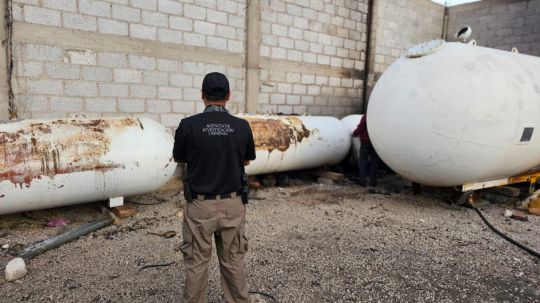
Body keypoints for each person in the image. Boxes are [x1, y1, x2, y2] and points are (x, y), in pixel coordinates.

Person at [173, 72, 256, 303]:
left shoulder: (188, 125)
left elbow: (179, 157)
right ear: (229, 96)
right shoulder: (241, 127)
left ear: (202, 95)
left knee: (197, 264)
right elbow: (247, 160)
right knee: (233, 262)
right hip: (233, 205)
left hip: (200, 207)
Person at [353, 114, 379, 187]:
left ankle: (363, 181)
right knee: (374, 162)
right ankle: (373, 182)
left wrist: (355, 133)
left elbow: (361, 127)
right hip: (375, 142)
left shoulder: (367, 116)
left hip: (366, 142)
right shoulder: (379, 117)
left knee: (363, 161)